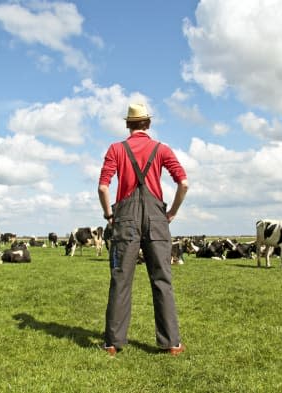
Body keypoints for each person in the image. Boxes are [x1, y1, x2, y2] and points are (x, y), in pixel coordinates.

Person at [98, 103, 189, 356]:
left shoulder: (116, 149)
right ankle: (171, 343)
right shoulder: (162, 149)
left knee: (120, 280)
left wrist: (109, 215)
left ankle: (112, 344)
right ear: (148, 124)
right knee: (162, 279)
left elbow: (103, 187)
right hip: (157, 219)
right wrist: (172, 212)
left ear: (128, 125)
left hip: (124, 218)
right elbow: (183, 183)